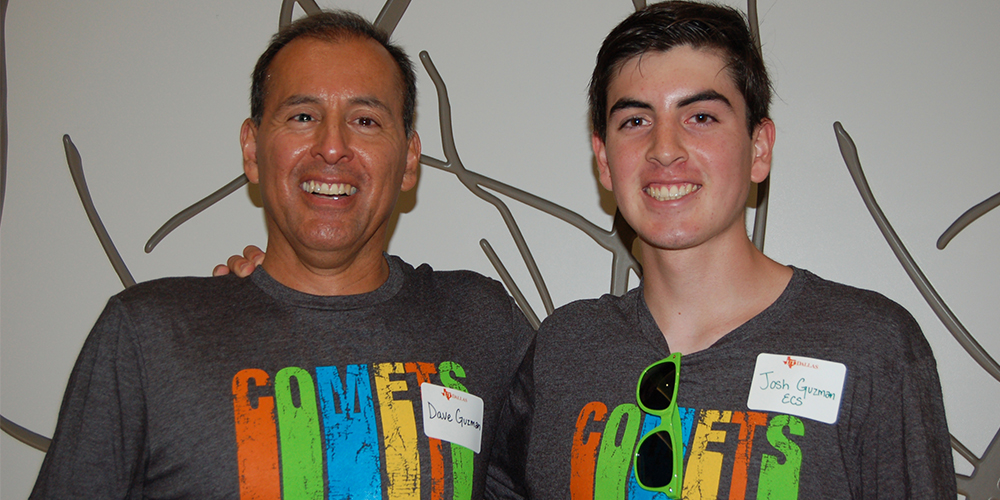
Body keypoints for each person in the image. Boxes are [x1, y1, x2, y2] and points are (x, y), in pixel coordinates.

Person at [30, 11, 533, 499]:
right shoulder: (147, 336)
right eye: (303, 116)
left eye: (365, 119)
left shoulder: (480, 321)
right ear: (252, 150)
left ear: (408, 159)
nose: (332, 146)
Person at [485, 2, 957, 499]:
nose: (664, 149)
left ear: (758, 149)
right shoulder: (565, 348)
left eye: (701, 116)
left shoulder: (870, 345)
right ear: (604, 161)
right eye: (635, 122)